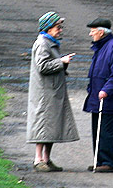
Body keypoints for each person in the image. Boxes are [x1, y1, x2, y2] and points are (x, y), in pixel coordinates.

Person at [26, 11, 79, 172]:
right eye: (57, 27)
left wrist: (62, 62)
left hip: (52, 92)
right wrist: (61, 61)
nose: (60, 30)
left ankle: (47, 160)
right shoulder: (42, 43)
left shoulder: (50, 42)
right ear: (48, 28)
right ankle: (38, 160)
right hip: (45, 94)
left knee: (52, 127)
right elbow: (42, 66)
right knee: (42, 125)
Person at [83, 18, 113, 172]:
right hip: (97, 98)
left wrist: (106, 90)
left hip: (109, 99)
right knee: (97, 130)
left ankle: (108, 162)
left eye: (93, 31)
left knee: (107, 132)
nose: (90, 34)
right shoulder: (101, 47)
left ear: (101, 32)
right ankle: (99, 160)